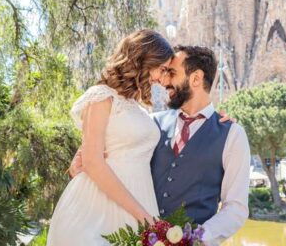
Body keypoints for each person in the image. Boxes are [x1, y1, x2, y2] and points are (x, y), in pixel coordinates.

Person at [69, 45, 251, 245]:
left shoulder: (232, 135)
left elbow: (235, 208)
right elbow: (105, 157)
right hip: (135, 238)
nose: (164, 81)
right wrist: (82, 161)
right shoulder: (150, 125)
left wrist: (196, 239)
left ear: (196, 78)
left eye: (171, 73)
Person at [46, 30, 174, 245]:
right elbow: (93, 161)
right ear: (144, 60)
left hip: (139, 203)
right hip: (98, 208)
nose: (161, 79)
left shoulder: (137, 107)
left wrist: (218, 120)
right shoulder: (101, 96)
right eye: (161, 69)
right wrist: (146, 219)